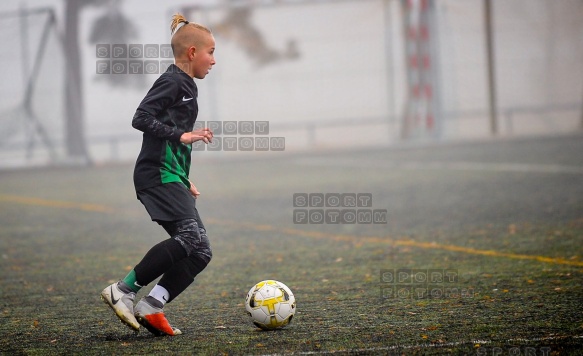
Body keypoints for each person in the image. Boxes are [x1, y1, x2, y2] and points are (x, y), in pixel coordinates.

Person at [100, 13, 216, 336]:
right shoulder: (173, 81)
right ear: (192, 53)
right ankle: (122, 290)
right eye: (211, 52)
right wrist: (180, 137)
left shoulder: (187, 85)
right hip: (154, 174)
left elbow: (169, 136)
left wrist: (183, 176)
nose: (214, 60)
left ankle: (152, 306)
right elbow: (141, 117)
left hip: (169, 174)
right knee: (191, 237)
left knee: (201, 249)